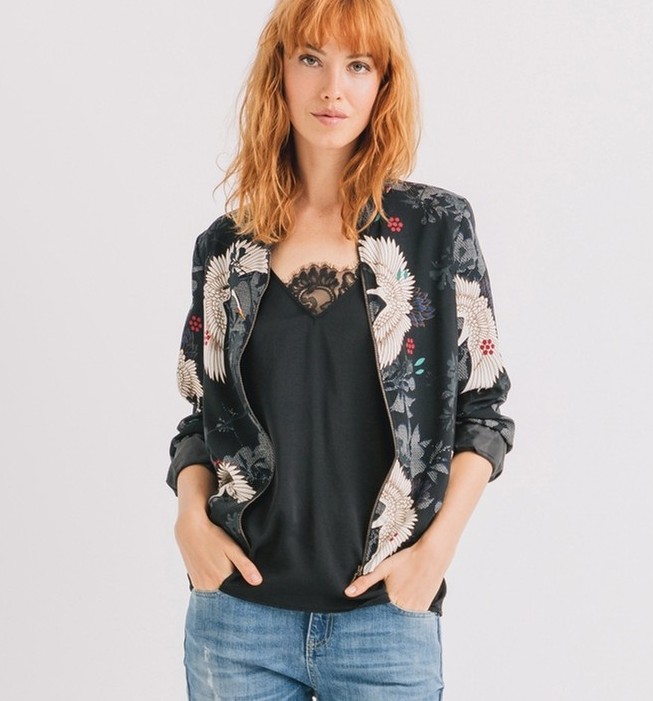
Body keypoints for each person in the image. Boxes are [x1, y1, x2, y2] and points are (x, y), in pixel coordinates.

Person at [167, 0, 515, 698]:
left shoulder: (435, 229)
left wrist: (434, 553)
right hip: (237, 622)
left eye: (358, 65)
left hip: (385, 623)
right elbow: (200, 420)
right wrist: (189, 522)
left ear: (383, 84)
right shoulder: (224, 248)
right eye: (311, 60)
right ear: (279, 73)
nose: (333, 88)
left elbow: (483, 411)